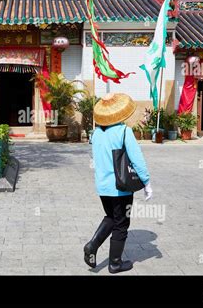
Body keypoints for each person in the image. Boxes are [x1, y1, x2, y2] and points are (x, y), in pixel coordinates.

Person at [84, 93, 153, 274]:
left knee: (111, 217)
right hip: (120, 186)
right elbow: (137, 159)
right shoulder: (124, 131)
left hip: (102, 186)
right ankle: (115, 263)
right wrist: (146, 182)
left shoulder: (96, 133)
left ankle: (92, 246)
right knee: (121, 223)